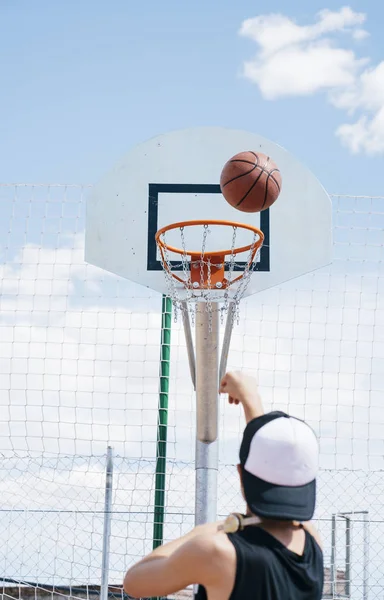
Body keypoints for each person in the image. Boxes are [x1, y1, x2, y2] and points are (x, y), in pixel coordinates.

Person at [123, 372, 324, 600]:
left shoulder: (215, 551)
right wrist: (251, 399)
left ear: (240, 475)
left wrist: (210, 530)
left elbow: (135, 582)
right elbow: (272, 459)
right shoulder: (311, 540)